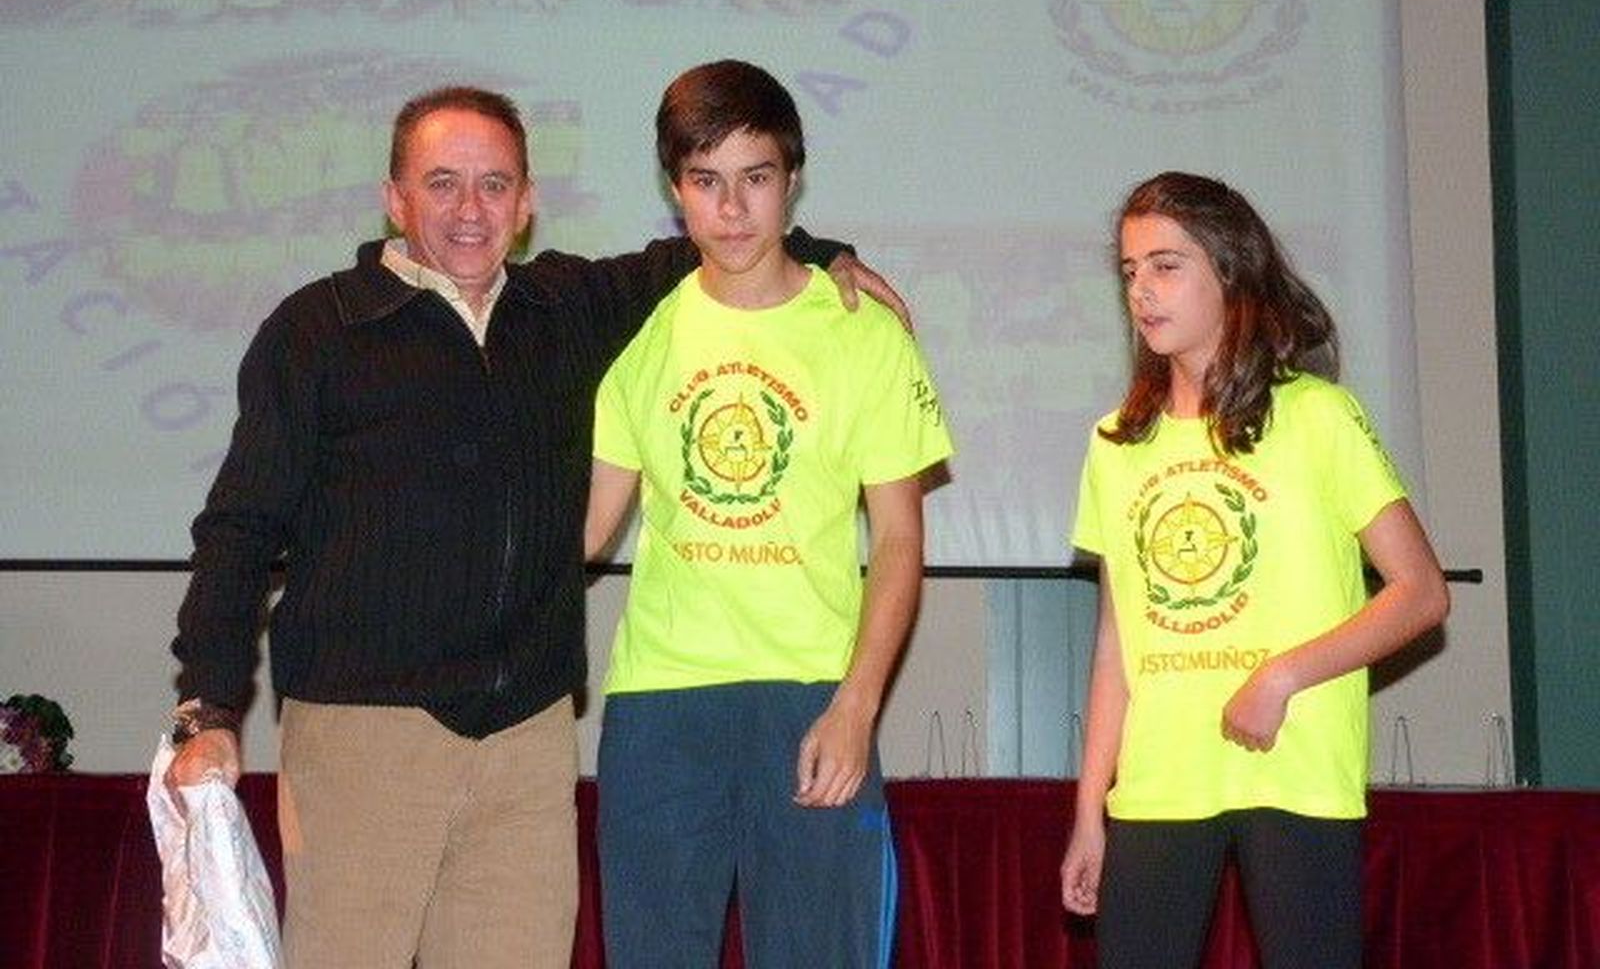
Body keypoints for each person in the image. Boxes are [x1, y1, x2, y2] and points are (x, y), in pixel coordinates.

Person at [166, 84, 895, 969]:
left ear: (527, 202)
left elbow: (720, 242)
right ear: (395, 199)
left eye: (495, 185)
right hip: (365, 734)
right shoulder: (320, 330)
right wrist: (209, 703)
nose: (470, 210)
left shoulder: (568, 307)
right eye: (442, 184)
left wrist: (825, 252)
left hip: (526, 741)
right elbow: (238, 529)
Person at [583, 60, 952, 968]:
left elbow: (900, 541)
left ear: (793, 180)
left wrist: (857, 705)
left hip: (811, 696)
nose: (733, 209)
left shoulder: (863, 330)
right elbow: (586, 533)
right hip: (660, 707)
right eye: (707, 182)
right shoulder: (639, 332)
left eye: (756, 179)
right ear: (677, 193)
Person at [1059, 172, 1450, 969]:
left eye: (1166, 265)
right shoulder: (1116, 443)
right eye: (1131, 271)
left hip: (1296, 770)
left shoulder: (1318, 417)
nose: (1143, 291)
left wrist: (1282, 677)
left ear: (1229, 272)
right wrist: (1089, 811)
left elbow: (1421, 593)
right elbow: (1115, 647)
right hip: (1161, 779)